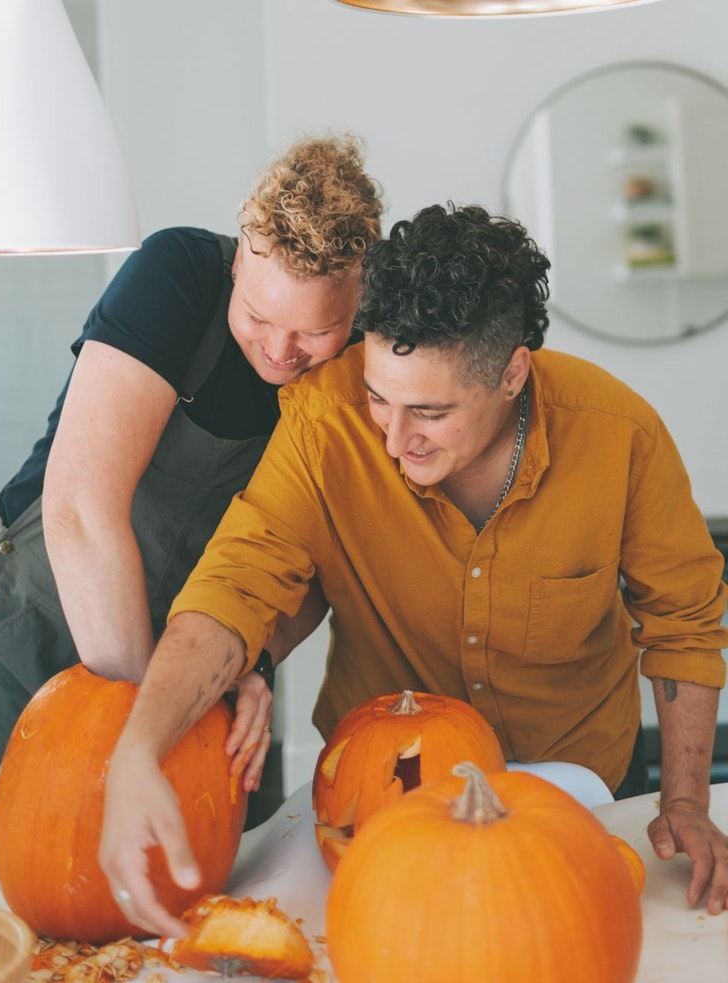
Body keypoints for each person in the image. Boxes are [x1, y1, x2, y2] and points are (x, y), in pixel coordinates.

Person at [99, 203, 728, 937]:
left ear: (512, 373)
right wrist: (138, 750)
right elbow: (238, 580)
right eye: (378, 396)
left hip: (583, 785)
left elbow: (683, 619)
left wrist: (685, 801)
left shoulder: (622, 436)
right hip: (381, 796)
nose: (395, 439)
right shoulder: (323, 421)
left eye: (429, 411)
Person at [0, 135, 384, 853]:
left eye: (315, 332)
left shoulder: (368, 361)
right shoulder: (177, 273)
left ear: (359, 303)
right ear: (237, 262)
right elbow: (82, 511)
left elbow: (319, 562)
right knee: (3, 881)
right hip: (47, 617)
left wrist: (248, 662)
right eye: (257, 317)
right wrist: (156, 726)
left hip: (208, 662)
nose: (281, 353)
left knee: (188, 914)